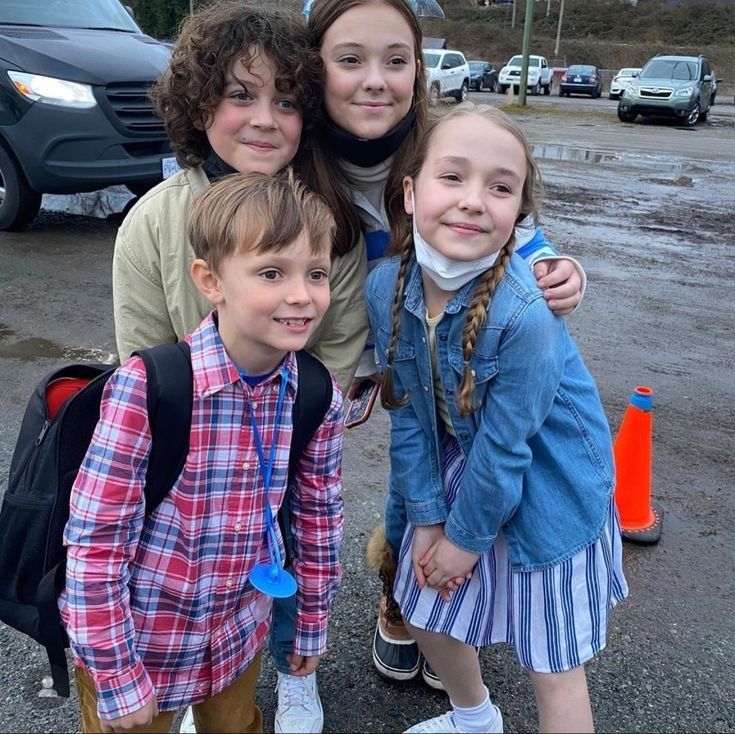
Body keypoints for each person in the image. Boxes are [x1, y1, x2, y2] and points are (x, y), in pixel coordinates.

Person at [305, 0, 587, 686]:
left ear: (417, 74)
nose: (375, 79)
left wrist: (562, 266)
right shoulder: (295, 154)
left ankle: (423, 609)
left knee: (435, 483)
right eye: (349, 59)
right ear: (312, 72)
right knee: (407, 483)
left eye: (395, 60)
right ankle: (405, 593)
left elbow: (512, 221)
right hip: (356, 355)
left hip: (450, 358)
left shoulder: (442, 143)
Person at [112, 3, 366, 731]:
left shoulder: (328, 220)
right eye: (239, 94)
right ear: (198, 107)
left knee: (294, 540)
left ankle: (291, 668)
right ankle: (186, 671)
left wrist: (300, 410)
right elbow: (140, 346)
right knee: (189, 564)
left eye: (286, 101)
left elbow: (339, 336)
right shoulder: (154, 219)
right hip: (190, 455)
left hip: (289, 432)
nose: (264, 118)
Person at [364, 102, 628, 733]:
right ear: (409, 192)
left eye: (500, 187)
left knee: (552, 657)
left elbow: (510, 448)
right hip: (463, 461)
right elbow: (407, 418)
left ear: (519, 215)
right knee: (424, 605)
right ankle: (474, 719)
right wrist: (427, 520)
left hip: (549, 484)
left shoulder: (526, 312)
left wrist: (464, 540)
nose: (474, 201)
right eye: (452, 177)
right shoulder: (385, 288)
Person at [62, 170, 345, 734]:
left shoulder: (315, 396)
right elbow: (95, 543)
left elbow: (319, 519)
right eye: (271, 272)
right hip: (142, 648)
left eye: (316, 273)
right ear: (210, 280)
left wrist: (311, 619)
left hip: (237, 640)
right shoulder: (149, 388)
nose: (301, 295)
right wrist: (117, 676)